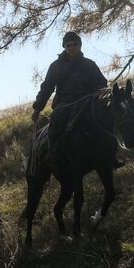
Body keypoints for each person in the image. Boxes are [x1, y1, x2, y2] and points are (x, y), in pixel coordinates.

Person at [32, 30, 109, 170]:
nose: (72, 48)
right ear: (64, 47)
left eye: (75, 44)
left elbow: (101, 83)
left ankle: (110, 154)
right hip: (64, 104)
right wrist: (38, 108)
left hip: (87, 102)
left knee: (106, 118)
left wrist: (99, 90)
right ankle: (53, 153)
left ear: (80, 46)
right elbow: (47, 88)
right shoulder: (56, 66)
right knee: (56, 120)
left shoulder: (89, 64)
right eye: (69, 45)